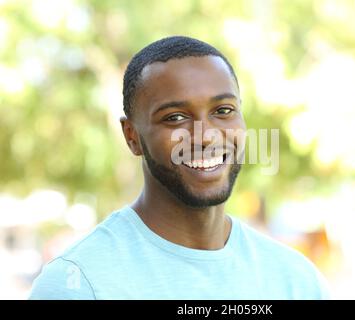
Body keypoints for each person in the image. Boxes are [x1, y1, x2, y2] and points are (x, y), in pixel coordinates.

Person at [29, 36, 329, 299]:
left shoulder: (295, 280)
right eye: (174, 117)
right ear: (132, 137)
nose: (206, 135)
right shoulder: (80, 283)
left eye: (223, 111)